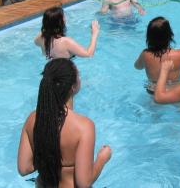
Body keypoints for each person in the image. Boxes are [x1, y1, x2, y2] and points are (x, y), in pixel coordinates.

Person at [18, 58, 111, 188]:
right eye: (78, 75)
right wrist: (102, 159)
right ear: (73, 87)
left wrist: (48, 157)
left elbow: (24, 168)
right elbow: (83, 183)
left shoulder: (32, 119)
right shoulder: (84, 126)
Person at [134, 17, 180, 94]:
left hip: (153, 92)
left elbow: (137, 67)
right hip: (174, 93)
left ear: (148, 37)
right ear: (170, 35)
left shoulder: (145, 55)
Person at [34, 6, 99, 60]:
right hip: (66, 74)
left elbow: (36, 43)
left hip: (51, 72)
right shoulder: (65, 41)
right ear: (60, 22)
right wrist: (94, 34)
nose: (65, 19)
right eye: (63, 17)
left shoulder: (41, 37)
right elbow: (89, 54)